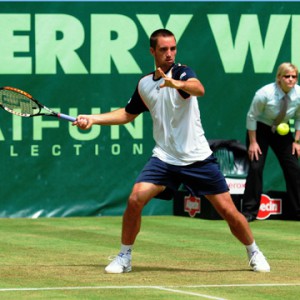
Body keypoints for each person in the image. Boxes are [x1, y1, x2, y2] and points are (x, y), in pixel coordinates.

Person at [73, 29, 270, 273]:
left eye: (173, 48)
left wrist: (174, 82)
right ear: (152, 51)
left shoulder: (182, 73)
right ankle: (124, 256)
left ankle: (254, 252)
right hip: (165, 159)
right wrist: (93, 119)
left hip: (198, 159)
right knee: (135, 199)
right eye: (164, 49)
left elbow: (198, 88)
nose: (169, 54)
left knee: (229, 212)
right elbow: (127, 114)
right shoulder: (145, 84)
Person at [243, 62, 300, 222]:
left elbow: (299, 118)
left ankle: (298, 211)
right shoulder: (264, 93)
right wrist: (253, 142)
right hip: (260, 130)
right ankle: (249, 212)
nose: (290, 80)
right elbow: (251, 117)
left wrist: (297, 141)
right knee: (256, 167)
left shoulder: (299, 94)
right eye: (286, 76)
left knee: (294, 168)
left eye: (293, 77)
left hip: (282, 132)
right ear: (279, 78)